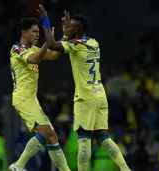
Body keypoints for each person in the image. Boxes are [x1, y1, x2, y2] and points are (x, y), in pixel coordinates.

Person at [37, 5, 132, 171]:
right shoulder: (94, 43)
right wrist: (68, 33)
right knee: (103, 137)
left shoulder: (76, 45)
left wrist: (45, 20)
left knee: (84, 138)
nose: (68, 26)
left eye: (72, 25)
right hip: (100, 95)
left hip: (85, 97)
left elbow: (52, 45)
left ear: (78, 28)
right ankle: (126, 169)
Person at [8, 17, 70, 171]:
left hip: (31, 99)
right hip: (22, 98)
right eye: (34, 31)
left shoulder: (34, 48)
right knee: (44, 130)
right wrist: (47, 43)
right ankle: (18, 166)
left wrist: (65, 36)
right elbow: (34, 60)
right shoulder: (17, 49)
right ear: (24, 32)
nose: (37, 34)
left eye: (39, 32)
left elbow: (54, 55)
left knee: (51, 136)